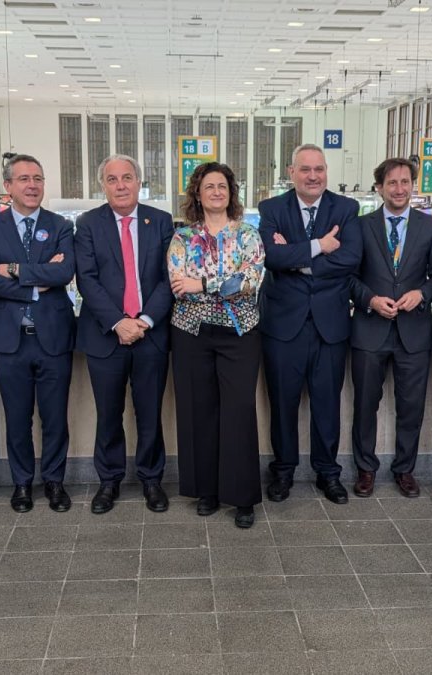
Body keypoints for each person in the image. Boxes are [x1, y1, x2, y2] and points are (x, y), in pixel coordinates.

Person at [258, 144, 361, 504]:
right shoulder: (271, 209)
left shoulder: (346, 208)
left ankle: (328, 473)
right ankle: (283, 471)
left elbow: (350, 258)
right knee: (282, 404)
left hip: (330, 325)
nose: (313, 176)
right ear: (291, 172)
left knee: (327, 404)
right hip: (283, 325)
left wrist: (297, 259)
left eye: (319, 169)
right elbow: (271, 257)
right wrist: (320, 245)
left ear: (326, 171)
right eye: (305, 169)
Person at [74, 154, 174, 515]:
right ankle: (109, 481)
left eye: (127, 178)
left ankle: (151, 480)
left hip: (151, 334)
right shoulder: (88, 224)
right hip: (106, 335)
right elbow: (87, 279)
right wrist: (119, 322)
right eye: (112, 179)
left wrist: (144, 320)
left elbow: (170, 277)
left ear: (139, 182)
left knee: (150, 413)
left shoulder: (160, 221)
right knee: (108, 414)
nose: (120, 185)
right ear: (103, 185)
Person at [167, 162, 265, 528]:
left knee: (239, 412)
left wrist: (204, 284)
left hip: (240, 334)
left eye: (222, 186)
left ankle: (242, 497)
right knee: (198, 411)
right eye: (209, 186)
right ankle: (205, 490)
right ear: (197, 193)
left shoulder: (248, 234)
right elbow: (179, 285)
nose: (216, 192)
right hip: (191, 333)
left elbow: (251, 280)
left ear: (231, 193)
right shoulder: (182, 238)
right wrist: (224, 284)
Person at [0, 154, 76, 514]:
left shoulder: (60, 225)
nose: (32, 185)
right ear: (8, 186)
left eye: (38, 178)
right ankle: (22, 483)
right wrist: (37, 283)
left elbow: (64, 273)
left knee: (55, 418)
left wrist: (13, 270)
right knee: (17, 419)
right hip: (10, 340)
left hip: (53, 337)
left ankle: (54, 481)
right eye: (23, 179)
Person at [349, 158, 432, 499]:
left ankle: (404, 469)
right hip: (370, 328)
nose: (399, 189)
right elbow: (348, 277)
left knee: (411, 407)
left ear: (412, 186)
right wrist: (370, 300)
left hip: (413, 331)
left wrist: (422, 294)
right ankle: (365, 469)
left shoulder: (430, 227)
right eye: (392, 183)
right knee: (365, 405)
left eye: (405, 182)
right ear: (379, 188)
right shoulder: (361, 226)